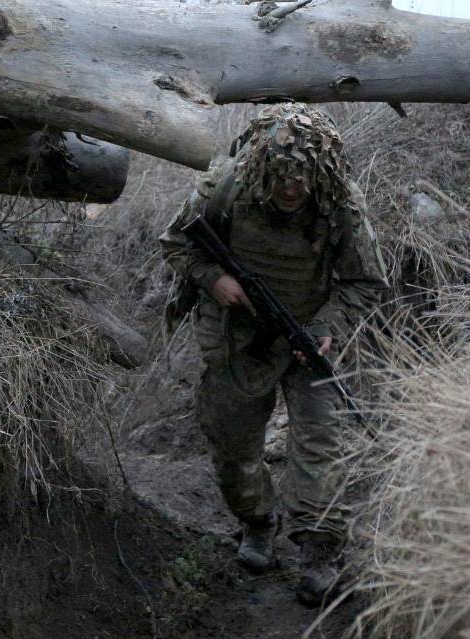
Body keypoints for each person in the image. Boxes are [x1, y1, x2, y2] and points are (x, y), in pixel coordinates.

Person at [159, 103, 389, 607]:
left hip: (310, 339)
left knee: (323, 445)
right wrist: (214, 278)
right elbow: (176, 242)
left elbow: (364, 281)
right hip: (239, 336)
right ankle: (258, 522)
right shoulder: (226, 188)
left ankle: (319, 553)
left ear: (320, 175)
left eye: (301, 180)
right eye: (282, 178)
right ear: (264, 168)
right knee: (234, 446)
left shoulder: (339, 204)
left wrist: (327, 326)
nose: (291, 190)